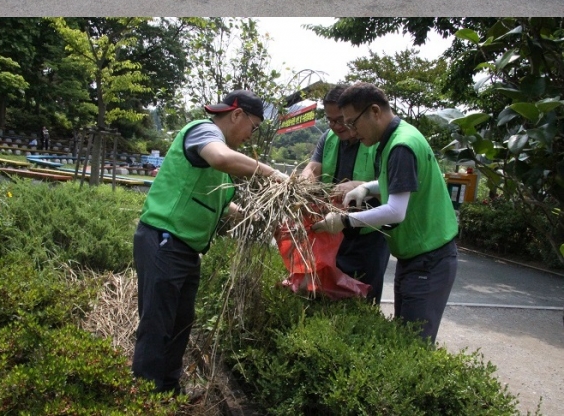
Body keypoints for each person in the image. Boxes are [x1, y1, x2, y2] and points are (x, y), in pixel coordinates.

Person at [132, 89, 287, 395]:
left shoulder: (221, 158)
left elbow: (219, 204)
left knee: (180, 322)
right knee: (157, 325)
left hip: (185, 250)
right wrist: (273, 174)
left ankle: (167, 391)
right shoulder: (204, 132)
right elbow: (220, 158)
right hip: (165, 240)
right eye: (253, 127)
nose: (251, 137)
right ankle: (144, 398)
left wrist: (250, 217)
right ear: (237, 114)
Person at [312, 83, 458, 343]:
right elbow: (400, 182)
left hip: (429, 258)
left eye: (353, 123)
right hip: (414, 256)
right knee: (403, 337)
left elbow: (395, 211)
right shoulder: (396, 138)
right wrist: (367, 188)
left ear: (375, 111)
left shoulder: (401, 145)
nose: (353, 133)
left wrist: (343, 221)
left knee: (412, 344)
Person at [301, 85, 389, 303]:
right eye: (330, 120)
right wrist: (304, 183)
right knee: (325, 294)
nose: (336, 126)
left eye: (341, 120)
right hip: (332, 232)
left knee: (364, 298)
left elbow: (391, 188)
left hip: (368, 236)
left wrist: (362, 185)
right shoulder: (328, 138)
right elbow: (313, 168)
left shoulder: (379, 142)